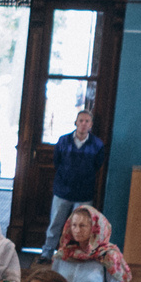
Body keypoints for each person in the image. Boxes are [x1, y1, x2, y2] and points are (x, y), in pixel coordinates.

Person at [45, 107, 105, 252]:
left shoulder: (97, 144)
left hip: (84, 193)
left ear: (91, 125)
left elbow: (98, 165)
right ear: (76, 123)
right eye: (81, 121)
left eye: (87, 121)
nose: (84, 124)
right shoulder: (63, 140)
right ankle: (47, 252)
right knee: (55, 223)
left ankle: (77, 254)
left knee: (81, 226)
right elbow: (57, 162)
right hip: (62, 190)